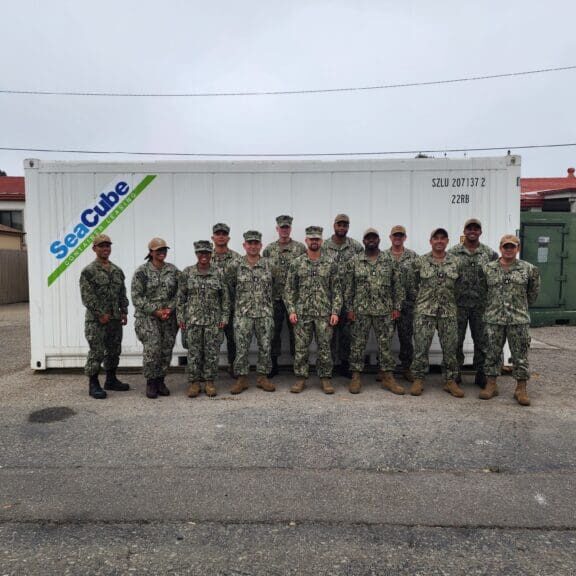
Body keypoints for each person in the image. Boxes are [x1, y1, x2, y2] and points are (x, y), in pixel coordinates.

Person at [480, 235, 540, 405]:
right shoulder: (488, 269)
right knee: (491, 353)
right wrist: (492, 308)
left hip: (518, 319)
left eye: (512, 246)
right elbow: (483, 293)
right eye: (505, 246)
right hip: (494, 319)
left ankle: (521, 389)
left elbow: (533, 293)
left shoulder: (529, 269)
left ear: (518, 248)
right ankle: (491, 385)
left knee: (520, 355)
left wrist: (519, 307)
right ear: (500, 248)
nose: (508, 249)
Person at [345, 228, 405, 394]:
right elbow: (349, 288)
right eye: (367, 238)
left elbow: (398, 286)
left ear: (379, 240)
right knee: (357, 345)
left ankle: (388, 377)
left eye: (374, 238)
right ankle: (356, 377)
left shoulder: (389, 260)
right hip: (360, 311)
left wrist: (397, 307)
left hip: (384, 311)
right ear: (363, 241)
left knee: (385, 345)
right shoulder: (355, 261)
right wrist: (349, 309)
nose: (371, 240)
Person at [285, 226, 342, 394]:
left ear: (321, 241)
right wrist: (292, 310)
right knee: (301, 348)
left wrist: (335, 312)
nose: (314, 241)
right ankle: (301, 378)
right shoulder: (297, 263)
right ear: (306, 241)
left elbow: (337, 290)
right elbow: (289, 289)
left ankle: (325, 378)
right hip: (302, 314)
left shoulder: (330, 263)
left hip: (324, 314)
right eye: (311, 239)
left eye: (317, 239)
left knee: (325, 347)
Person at [410, 228, 464, 398]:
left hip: (448, 312)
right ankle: (418, 379)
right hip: (425, 312)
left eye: (443, 238)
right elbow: (411, 285)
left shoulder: (456, 262)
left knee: (450, 348)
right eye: (436, 238)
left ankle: (450, 381)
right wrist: (421, 302)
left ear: (447, 241)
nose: (439, 241)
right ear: (430, 241)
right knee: (420, 347)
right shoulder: (420, 262)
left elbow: (460, 287)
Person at [448, 218, 498, 387]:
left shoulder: (489, 254)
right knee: (456, 341)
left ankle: (481, 374)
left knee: (482, 342)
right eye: (469, 228)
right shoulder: (453, 253)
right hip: (458, 305)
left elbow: (494, 278)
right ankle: (455, 374)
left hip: (481, 306)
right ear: (464, 231)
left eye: (476, 229)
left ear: (480, 232)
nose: (472, 231)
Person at [177, 240, 230, 398]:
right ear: (196, 254)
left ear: (211, 253)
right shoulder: (187, 273)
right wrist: (181, 317)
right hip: (193, 321)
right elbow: (180, 298)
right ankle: (194, 382)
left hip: (213, 321)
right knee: (193, 353)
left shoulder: (219, 273)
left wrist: (225, 316)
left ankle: (209, 382)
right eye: (201, 253)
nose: (204, 256)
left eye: (207, 252)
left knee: (212, 353)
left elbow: (225, 298)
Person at [80, 234, 129, 399]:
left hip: (114, 319)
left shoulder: (117, 270)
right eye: (101, 246)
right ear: (94, 249)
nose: (105, 249)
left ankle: (111, 379)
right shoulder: (89, 271)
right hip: (96, 321)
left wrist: (124, 311)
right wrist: (100, 314)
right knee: (97, 351)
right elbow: (87, 296)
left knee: (114, 350)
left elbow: (122, 292)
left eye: (108, 246)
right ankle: (93, 384)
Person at [131, 237, 180, 399]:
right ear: (151, 252)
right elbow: (136, 297)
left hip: (168, 316)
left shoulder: (173, 270)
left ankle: (160, 380)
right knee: (153, 348)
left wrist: (170, 308)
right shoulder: (141, 272)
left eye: (164, 250)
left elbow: (180, 292)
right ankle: (151, 381)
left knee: (166, 348)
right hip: (148, 317)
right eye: (158, 250)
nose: (162, 253)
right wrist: (155, 311)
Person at [228, 230, 275, 394]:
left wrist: (268, 304)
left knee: (265, 346)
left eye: (256, 243)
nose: (253, 246)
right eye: (250, 243)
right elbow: (229, 288)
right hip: (243, 314)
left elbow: (277, 287)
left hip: (264, 313)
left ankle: (263, 377)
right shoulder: (235, 265)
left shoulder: (270, 264)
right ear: (244, 245)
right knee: (241, 347)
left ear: (261, 245)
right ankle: (241, 379)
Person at [263, 215, 306, 377]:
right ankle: (273, 365)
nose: (284, 230)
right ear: (277, 229)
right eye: (282, 227)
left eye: (287, 227)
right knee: (273, 332)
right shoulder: (269, 250)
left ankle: (299, 365)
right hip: (275, 298)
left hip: (295, 299)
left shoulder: (300, 248)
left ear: (290, 229)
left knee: (298, 333)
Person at [322, 214, 363, 377]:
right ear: (334, 226)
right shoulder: (324, 246)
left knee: (348, 333)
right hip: (328, 297)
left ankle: (346, 364)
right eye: (339, 225)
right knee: (329, 333)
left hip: (349, 296)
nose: (342, 228)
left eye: (345, 225)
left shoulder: (356, 247)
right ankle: (329, 365)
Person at [385, 225, 419, 382]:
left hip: (407, 305)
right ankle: (385, 369)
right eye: (395, 235)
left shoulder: (413, 257)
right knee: (385, 338)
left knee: (406, 338)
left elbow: (420, 280)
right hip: (386, 305)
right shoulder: (383, 257)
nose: (398, 238)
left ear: (405, 238)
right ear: (390, 237)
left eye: (401, 235)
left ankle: (407, 368)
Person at [211, 223, 241, 376]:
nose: (221, 236)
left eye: (224, 234)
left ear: (228, 237)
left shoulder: (237, 259)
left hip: (233, 306)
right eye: (218, 234)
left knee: (233, 339)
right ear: (213, 237)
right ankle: (209, 369)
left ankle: (233, 365)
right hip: (212, 308)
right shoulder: (206, 257)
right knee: (211, 339)